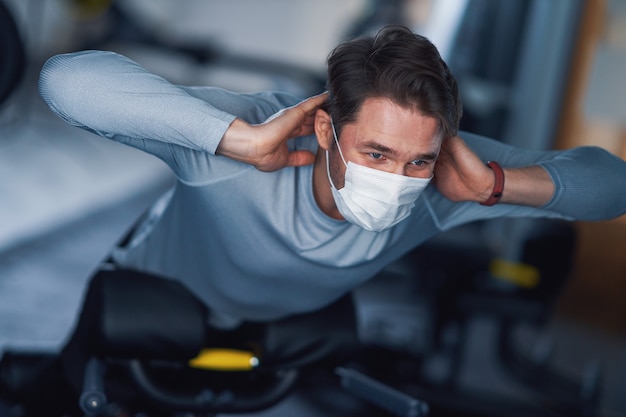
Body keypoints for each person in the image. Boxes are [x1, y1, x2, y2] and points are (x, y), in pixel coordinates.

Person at [3, 24, 626, 414]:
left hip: (282, 328)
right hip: (152, 293)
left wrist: (495, 184)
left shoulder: (449, 181)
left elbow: (613, 185)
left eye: (416, 161)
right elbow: (67, 81)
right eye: (375, 153)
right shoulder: (240, 136)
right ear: (326, 128)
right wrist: (237, 141)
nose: (396, 180)